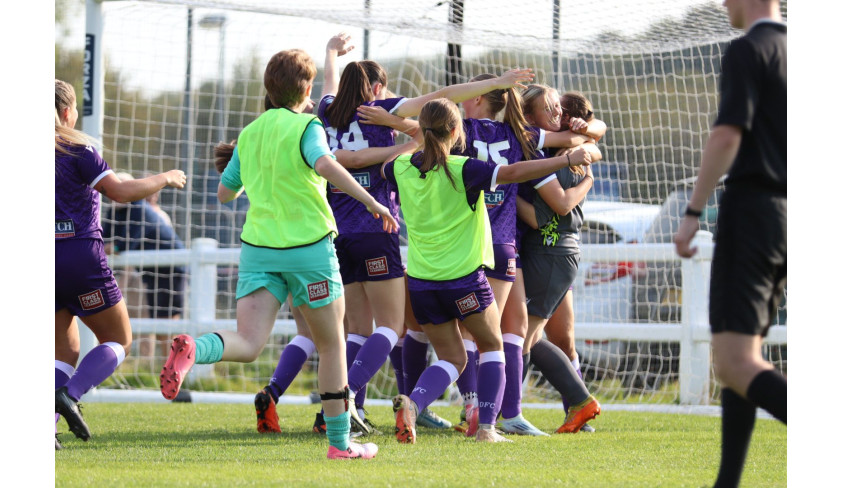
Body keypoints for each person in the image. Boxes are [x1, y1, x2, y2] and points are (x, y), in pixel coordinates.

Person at [159, 49, 398, 460]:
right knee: (332, 346)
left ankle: (195, 349)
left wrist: (256, 174)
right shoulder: (308, 124)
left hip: (258, 250)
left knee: (249, 342)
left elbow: (224, 193)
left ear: (269, 88)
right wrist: (372, 203)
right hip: (308, 249)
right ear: (306, 89)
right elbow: (327, 166)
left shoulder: (250, 134)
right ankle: (340, 445)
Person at [315, 34, 535, 434]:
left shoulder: (327, 111)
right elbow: (445, 93)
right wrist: (495, 82)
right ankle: (354, 398)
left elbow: (335, 113)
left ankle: (346, 407)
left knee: (357, 330)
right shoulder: (390, 117)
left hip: (338, 231)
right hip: (382, 231)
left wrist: (330, 52)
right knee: (391, 328)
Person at [384, 97, 593, 444]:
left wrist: (414, 142)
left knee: (452, 356)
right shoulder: (463, 167)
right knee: (493, 343)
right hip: (464, 279)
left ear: (422, 131)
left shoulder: (402, 167)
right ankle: (487, 429)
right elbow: (512, 172)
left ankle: (414, 402)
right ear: (455, 131)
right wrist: (569, 158)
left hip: (421, 283)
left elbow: (383, 168)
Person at [673, 1, 786, 486]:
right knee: (747, 353)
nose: (722, 4)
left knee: (734, 362)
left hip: (753, 210)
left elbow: (726, 135)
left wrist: (692, 212)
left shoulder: (750, 49)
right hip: (786, 217)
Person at [55, 79, 187, 449]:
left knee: (63, 352)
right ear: (67, 113)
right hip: (81, 257)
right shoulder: (79, 149)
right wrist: (166, 176)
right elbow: (121, 191)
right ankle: (71, 393)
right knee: (119, 340)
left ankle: (46, 424)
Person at [514, 83, 604, 434]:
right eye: (550, 107)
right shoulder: (561, 146)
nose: (557, 113)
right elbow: (596, 137)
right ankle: (578, 406)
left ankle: (508, 413)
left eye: (560, 108)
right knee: (545, 338)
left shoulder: (554, 152)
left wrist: (501, 190)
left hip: (551, 253)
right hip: (552, 252)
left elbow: (553, 211)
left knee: (523, 338)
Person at [101, 172, 187, 362]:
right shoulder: (114, 210)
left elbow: (124, 245)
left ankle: (177, 365)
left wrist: (112, 247)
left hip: (171, 268)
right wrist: (109, 246)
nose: (115, 192)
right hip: (151, 271)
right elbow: (103, 240)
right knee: (158, 319)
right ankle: (168, 366)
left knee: (170, 319)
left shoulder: (139, 209)